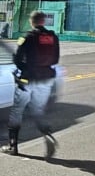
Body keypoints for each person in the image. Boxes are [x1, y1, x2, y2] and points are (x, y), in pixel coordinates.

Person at [0, 10, 60, 159]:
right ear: (43, 21)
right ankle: (46, 133)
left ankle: (12, 146)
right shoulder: (53, 37)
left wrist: (23, 70)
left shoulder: (27, 37)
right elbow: (55, 60)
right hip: (46, 79)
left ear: (32, 22)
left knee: (17, 111)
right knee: (37, 110)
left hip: (28, 80)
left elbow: (17, 59)